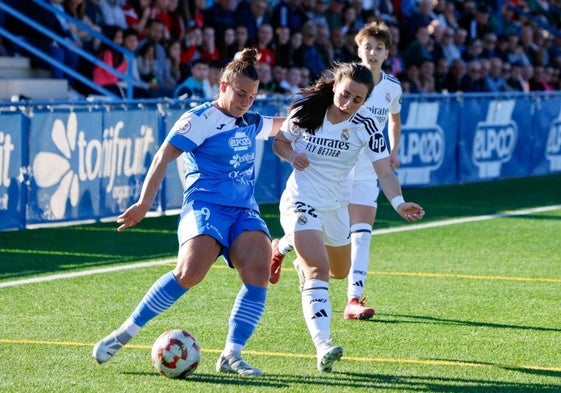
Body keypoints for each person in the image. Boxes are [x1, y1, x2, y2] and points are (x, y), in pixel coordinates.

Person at [92, 48, 284, 377]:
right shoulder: (199, 120)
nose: (245, 101)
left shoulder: (251, 120)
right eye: (240, 93)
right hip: (206, 207)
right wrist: (143, 203)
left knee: (258, 271)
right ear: (222, 85)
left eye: (252, 96)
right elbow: (162, 157)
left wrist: (322, 113)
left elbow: (284, 125)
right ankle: (125, 333)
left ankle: (232, 354)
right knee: (189, 273)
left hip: (243, 211)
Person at [272, 62, 424, 372]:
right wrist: (292, 155)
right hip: (300, 200)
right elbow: (280, 142)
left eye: (358, 99)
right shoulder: (306, 112)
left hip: (336, 206)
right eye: (345, 95)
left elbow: (384, 170)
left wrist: (398, 202)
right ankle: (323, 346)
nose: (349, 104)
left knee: (339, 272)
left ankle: (280, 248)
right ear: (334, 87)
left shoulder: (367, 125)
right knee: (318, 268)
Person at [270, 21, 404, 321]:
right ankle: (285, 248)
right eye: (367, 46)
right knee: (319, 235)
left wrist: (394, 160)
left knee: (360, 237)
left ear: (387, 53)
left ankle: (353, 297)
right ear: (358, 49)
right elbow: (281, 139)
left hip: (366, 169)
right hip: (327, 177)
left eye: (378, 48)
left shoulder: (391, 88)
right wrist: (292, 155)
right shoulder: (340, 87)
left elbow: (394, 120)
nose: (372, 52)